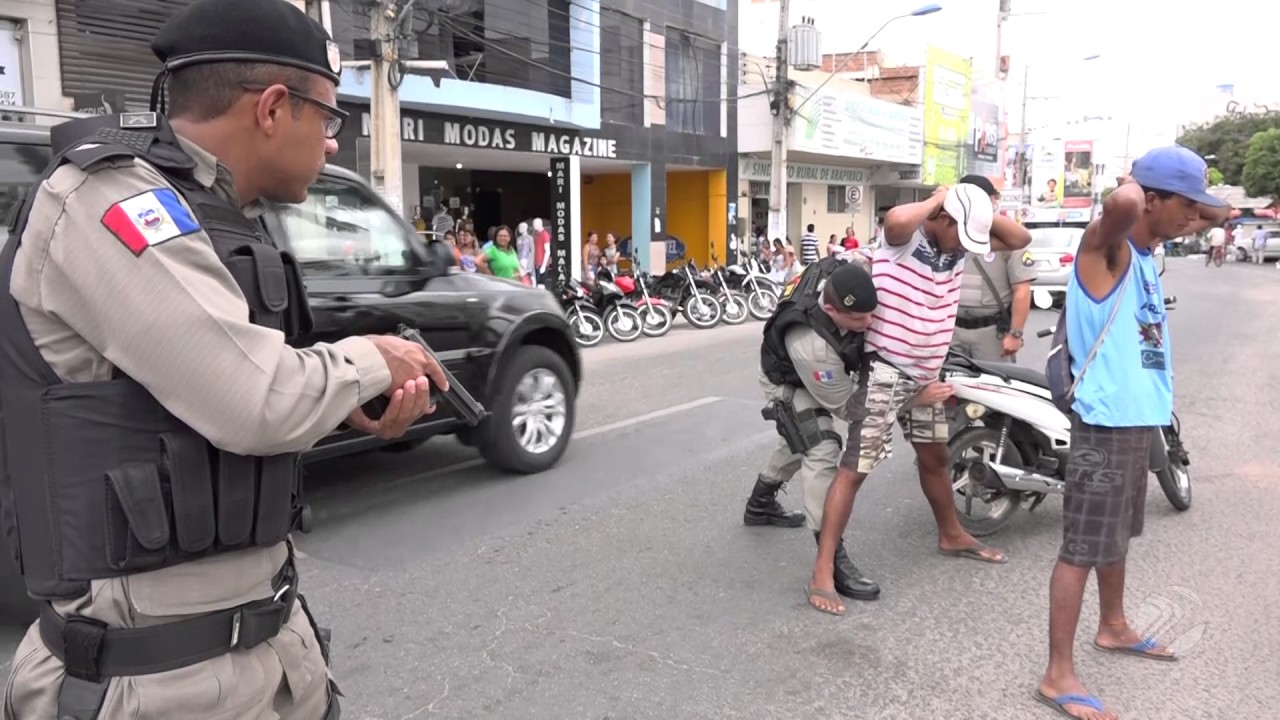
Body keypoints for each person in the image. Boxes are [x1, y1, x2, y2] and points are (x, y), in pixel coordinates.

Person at [0, 1, 450, 717]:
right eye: (328, 119)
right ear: (273, 108)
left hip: (267, 652)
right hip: (158, 681)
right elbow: (252, 400)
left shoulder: (217, 216)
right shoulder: (108, 201)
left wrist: (343, 408)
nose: (333, 144)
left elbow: (185, 407)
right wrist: (376, 358)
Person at [1034, 147, 1229, 720]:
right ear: (1153, 200)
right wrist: (1132, 184)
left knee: (1116, 537)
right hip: (1104, 421)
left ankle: (1113, 626)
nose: (1193, 219)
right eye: (1184, 207)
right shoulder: (1108, 251)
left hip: (1137, 419)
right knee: (1081, 549)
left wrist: (1195, 200)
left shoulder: (1146, 252)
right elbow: (1120, 204)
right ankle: (1056, 674)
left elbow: (1222, 217)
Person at [806, 184, 1033, 616]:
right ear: (943, 217)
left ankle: (951, 532)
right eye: (960, 233)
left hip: (928, 375)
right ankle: (821, 570)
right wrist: (940, 199)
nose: (968, 248)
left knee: (935, 459)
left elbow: (1019, 239)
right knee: (856, 469)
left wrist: (976, 208)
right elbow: (893, 222)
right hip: (886, 371)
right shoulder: (905, 239)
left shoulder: (962, 239)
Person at [744, 256, 882, 604]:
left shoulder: (845, 273)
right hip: (788, 381)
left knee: (799, 439)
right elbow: (850, 408)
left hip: (805, 369)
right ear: (833, 311)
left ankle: (760, 503)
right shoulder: (813, 343)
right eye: (860, 319)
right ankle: (831, 555)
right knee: (820, 446)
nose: (870, 322)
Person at [951, 175, 1038, 362]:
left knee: (991, 387)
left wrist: (1015, 334)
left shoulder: (1009, 237)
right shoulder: (950, 231)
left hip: (990, 333)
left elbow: (1022, 290)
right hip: (951, 330)